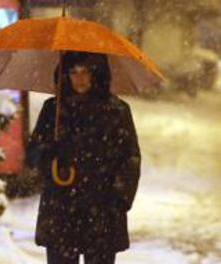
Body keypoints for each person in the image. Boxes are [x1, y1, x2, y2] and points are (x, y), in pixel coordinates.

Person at [25, 51, 141, 264]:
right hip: (62, 210)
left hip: (101, 211)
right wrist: (51, 151)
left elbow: (130, 158)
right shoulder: (54, 109)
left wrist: (118, 199)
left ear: (97, 74)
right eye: (73, 72)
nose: (79, 79)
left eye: (86, 72)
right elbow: (34, 153)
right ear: (64, 75)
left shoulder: (116, 111)